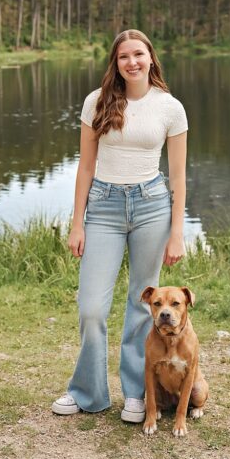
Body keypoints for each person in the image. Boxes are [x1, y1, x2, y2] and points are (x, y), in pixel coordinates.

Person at [52, 28, 187, 423]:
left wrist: (177, 232)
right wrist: (77, 224)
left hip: (151, 206)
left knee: (142, 304)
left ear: (151, 58)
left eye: (138, 54)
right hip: (104, 206)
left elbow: (178, 176)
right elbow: (86, 166)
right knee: (92, 306)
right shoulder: (97, 101)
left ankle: (136, 394)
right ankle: (88, 392)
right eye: (124, 56)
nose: (132, 62)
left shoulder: (170, 107)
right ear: (116, 62)